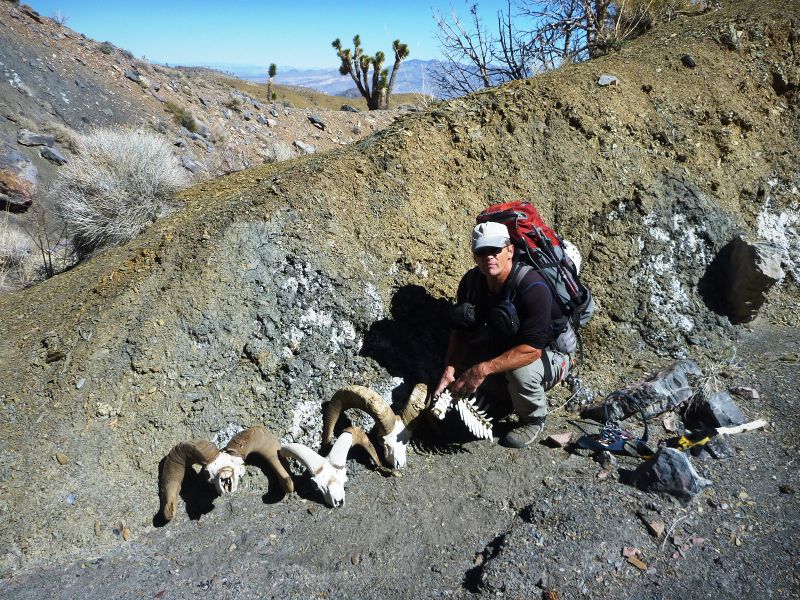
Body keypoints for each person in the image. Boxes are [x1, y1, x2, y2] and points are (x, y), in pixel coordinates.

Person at [435, 221, 572, 448]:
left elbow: (532, 350)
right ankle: (505, 398)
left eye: (495, 250)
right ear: (474, 255)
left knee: (521, 373)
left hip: (549, 353)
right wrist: (451, 367)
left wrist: (482, 369)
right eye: (482, 251)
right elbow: (462, 330)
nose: (489, 256)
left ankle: (533, 418)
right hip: (503, 344)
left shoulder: (533, 287)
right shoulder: (471, 283)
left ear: (510, 250)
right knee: (463, 365)